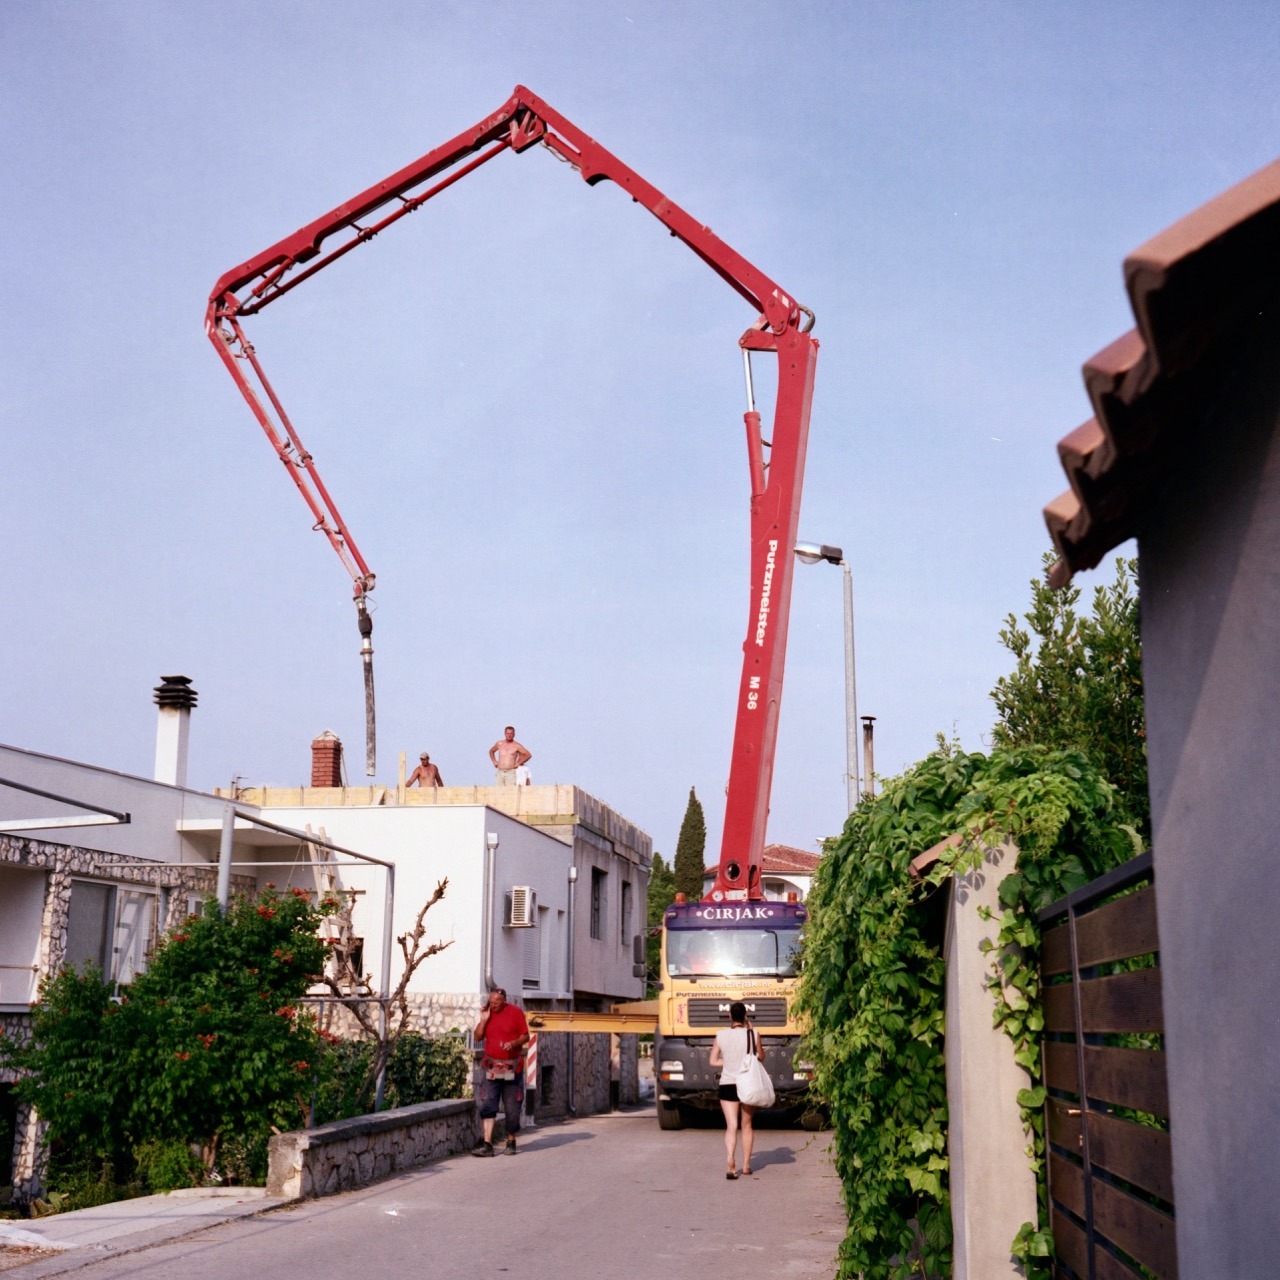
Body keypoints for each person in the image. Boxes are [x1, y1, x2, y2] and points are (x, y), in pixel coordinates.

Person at [708, 1000, 765, 1179]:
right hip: (747, 1083)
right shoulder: (753, 1033)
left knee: (731, 1125)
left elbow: (713, 1061)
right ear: (745, 1016)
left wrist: (728, 1063)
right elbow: (761, 1057)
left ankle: (730, 1162)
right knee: (746, 1125)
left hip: (728, 1084)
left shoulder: (721, 1035)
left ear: (730, 1016)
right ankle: (746, 1166)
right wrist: (752, 1033)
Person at [471, 986, 530, 1156]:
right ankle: (487, 1144)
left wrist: (513, 1043)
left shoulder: (515, 1012)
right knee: (487, 1104)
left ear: (504, 1001)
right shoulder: (487, 1013)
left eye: (496, 1002)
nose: (493, 1005)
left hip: (512, 1068)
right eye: (491, 1002)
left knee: (512, 1107)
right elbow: (477, 1037)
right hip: (491, 1067)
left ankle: (511, 1141)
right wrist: (483, 1020)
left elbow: (525, 1036)